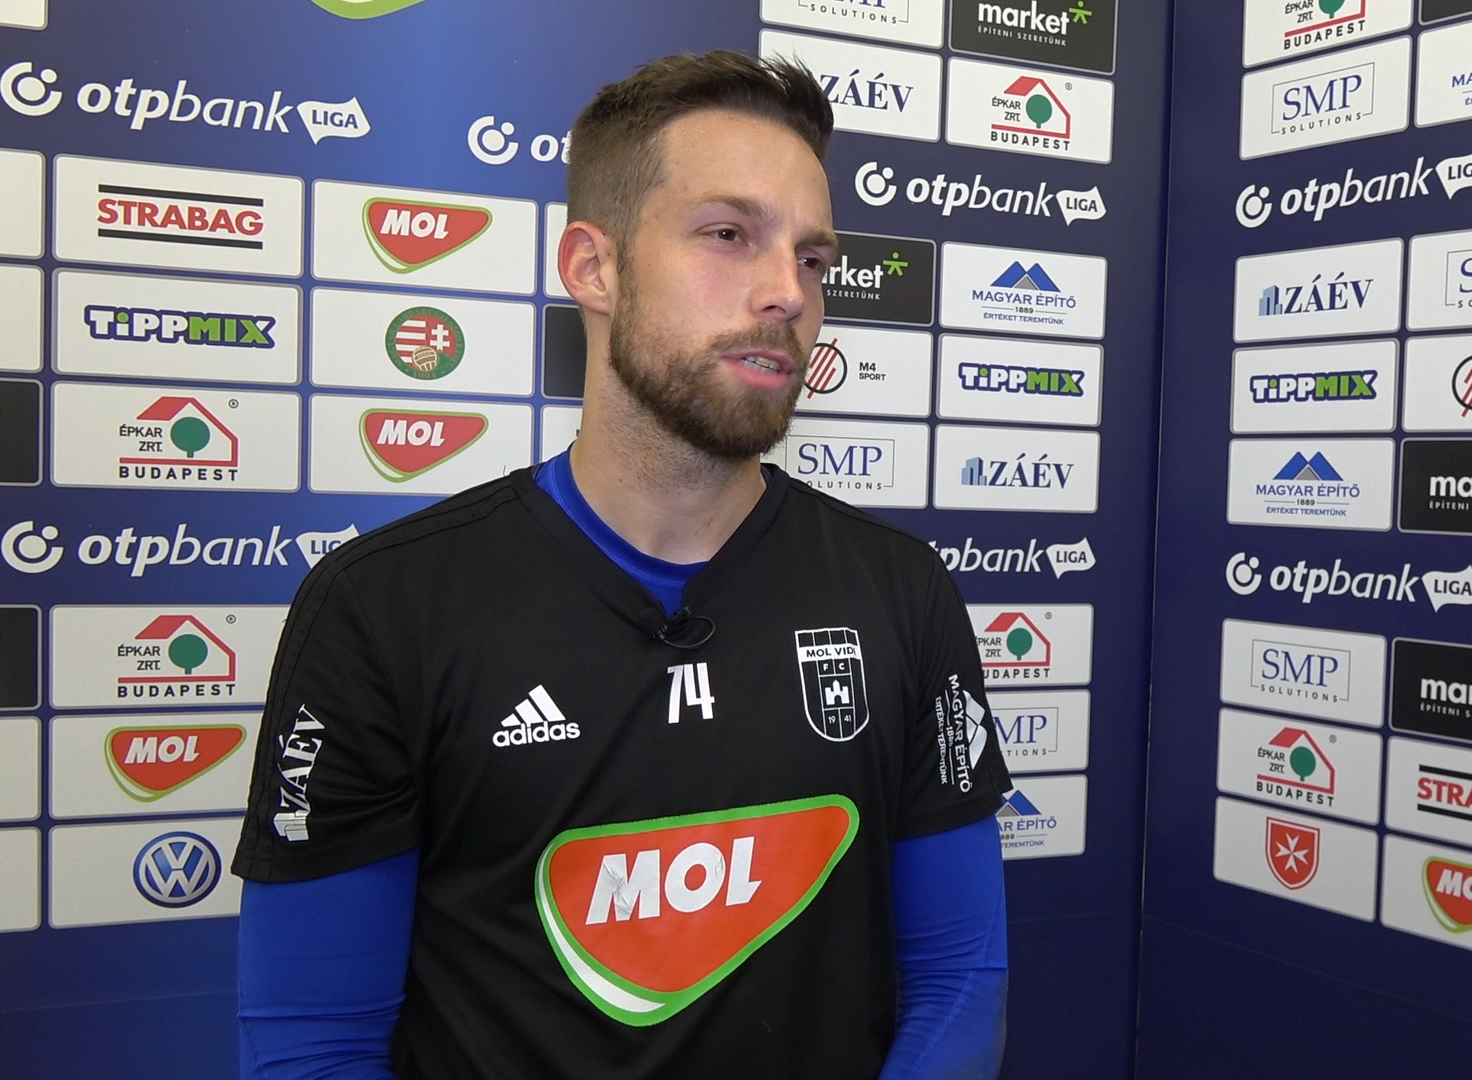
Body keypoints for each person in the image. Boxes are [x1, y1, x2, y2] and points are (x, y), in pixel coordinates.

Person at [232, 51, 1012, 1080]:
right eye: (728, 235)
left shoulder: (901, 591)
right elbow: (313, 1042)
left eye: (813, 258)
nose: (787, 293)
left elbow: (958, 977)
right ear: (593, 268)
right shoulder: (382, 607)